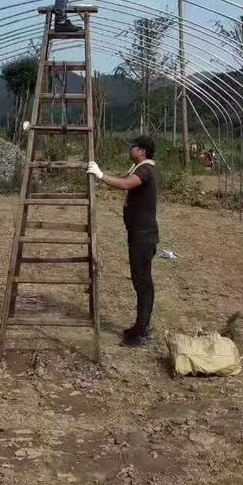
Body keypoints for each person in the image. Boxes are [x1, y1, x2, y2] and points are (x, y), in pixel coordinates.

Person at [87, 135, 158, 347]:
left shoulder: (145, 171)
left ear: (142, 151)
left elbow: (126, 184)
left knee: (142, 281)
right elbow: (122, 179)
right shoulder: (140, 167)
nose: (130, 149)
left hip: (143, 236)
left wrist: (100, 175)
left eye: (133, 147)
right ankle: (140, 325)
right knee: (141, 279)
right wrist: (104, 174)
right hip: (139, 234)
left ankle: (141, 331)